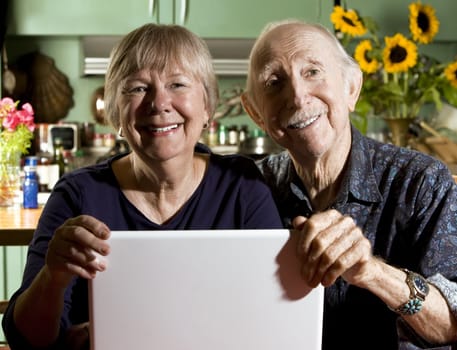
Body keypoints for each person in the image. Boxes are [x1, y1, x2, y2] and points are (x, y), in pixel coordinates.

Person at [2, 23, 283, 350]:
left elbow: (272, 319)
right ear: (116, 112)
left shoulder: (242, 188)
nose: (159, 103)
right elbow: (25, 340)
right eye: (137, 88)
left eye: (177, 84)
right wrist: (53, 276)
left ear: (207, 106)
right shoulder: (78, 194)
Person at [241, 20, 457, 349]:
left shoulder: (421, 181)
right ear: (255, 112)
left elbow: (451, 325)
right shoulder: (247, 189)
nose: (298, 97)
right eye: (274, 82)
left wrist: (370, 271)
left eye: (312, 71)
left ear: (351, 87)